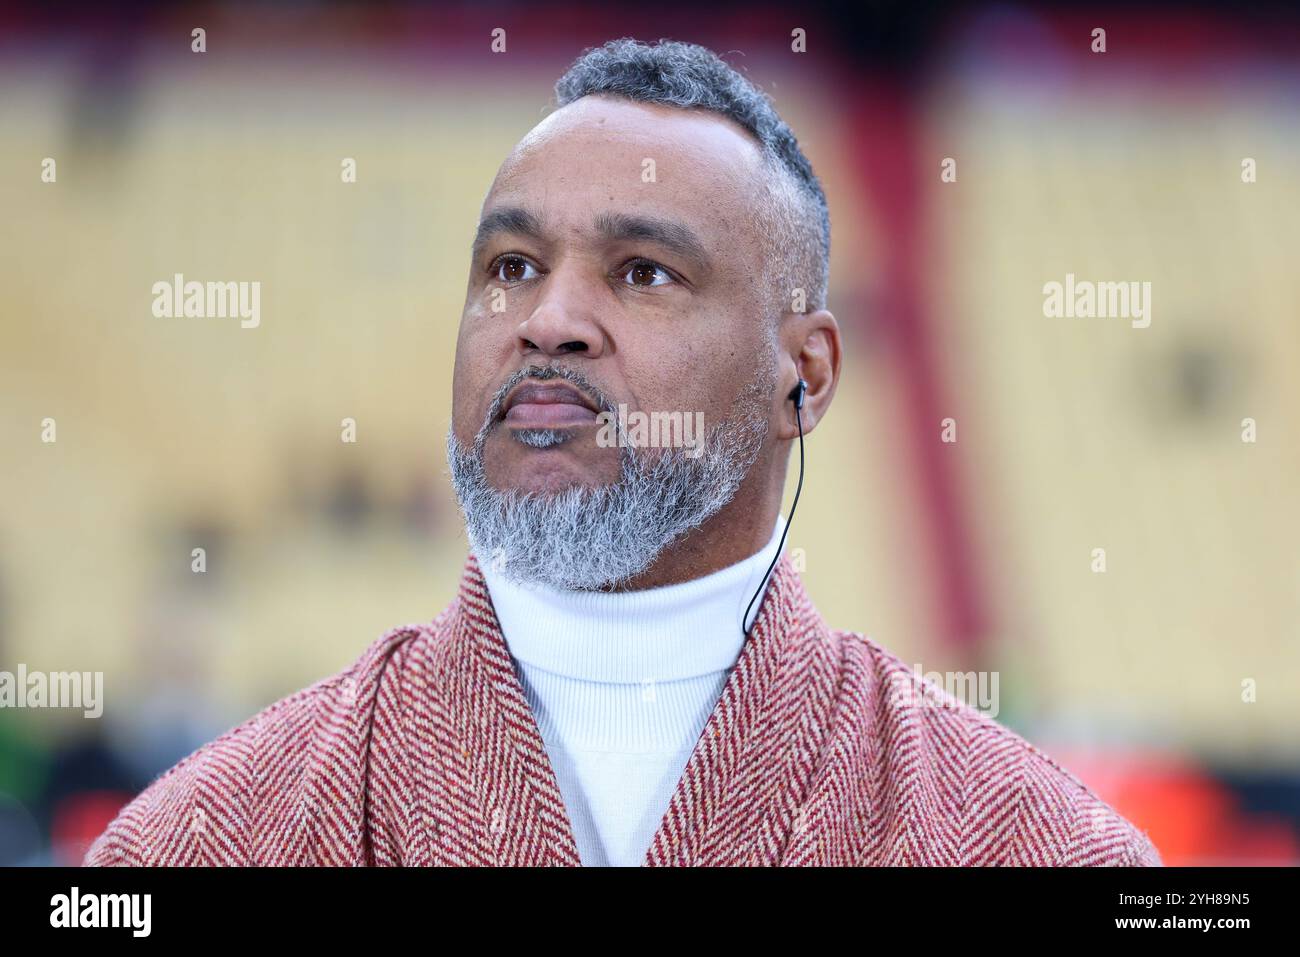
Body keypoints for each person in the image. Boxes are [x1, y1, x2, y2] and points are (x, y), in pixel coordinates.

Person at [84, 37, 1160, 867]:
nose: (546, 321)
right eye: (509, 266)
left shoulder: (1041, 847)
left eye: (643, 272)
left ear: (806, 375)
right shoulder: (198, 841)